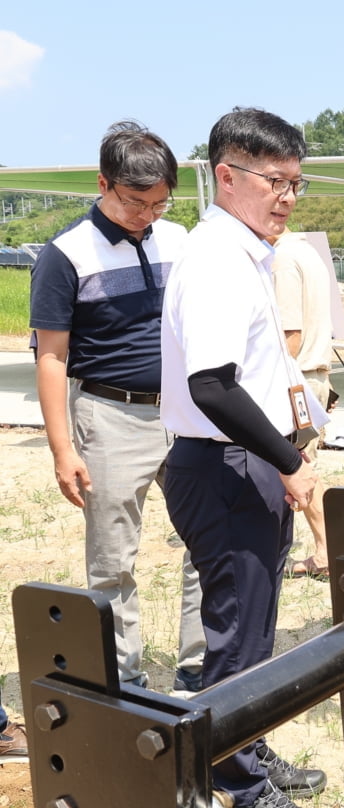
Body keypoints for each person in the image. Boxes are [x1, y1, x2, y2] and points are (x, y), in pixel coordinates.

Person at [160, 107, 327, 808]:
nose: (286, 197)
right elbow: (212, 385)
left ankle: (245, 749)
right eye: (273, 181)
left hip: (243, 461)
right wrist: (287, 463)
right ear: (226, 177)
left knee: (254, 632)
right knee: (236, 637)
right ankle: (238, 782)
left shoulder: (246, 252)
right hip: (224, 464)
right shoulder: (216, 260)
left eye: (295, 182)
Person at [28, 120, 205, 693]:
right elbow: (51, 358)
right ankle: (124, 682)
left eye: (159, 203)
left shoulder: (178, 239)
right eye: (135, 202)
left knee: (207, 539)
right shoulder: (65, 254)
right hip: (109, 416)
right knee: (113, 559)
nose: (147, 214)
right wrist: (61, 449)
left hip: (185, 413)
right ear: (102, 183)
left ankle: (198, 668)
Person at [271, 228, 334, 580]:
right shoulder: (309, 253)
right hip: (309, 377)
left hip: (295, 378)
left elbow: (288, 336)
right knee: (302, 466)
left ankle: (326, 551)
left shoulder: (283, 259)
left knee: (298, 468)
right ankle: (326, 548)